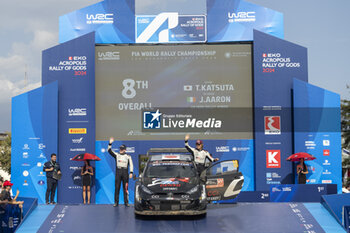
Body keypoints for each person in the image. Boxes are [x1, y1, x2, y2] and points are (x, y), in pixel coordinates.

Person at [108, 137, 133, 207]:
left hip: (125, 172)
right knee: (117, 187)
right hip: (118, 172)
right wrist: (110, 143)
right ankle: (116, 202)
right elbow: (109, 151)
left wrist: (131, 172)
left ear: (125, 150)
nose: (121, 150)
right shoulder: (117, 155)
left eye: (122, 149)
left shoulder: (128, 156)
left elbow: (131, 164)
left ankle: (126, 202)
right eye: (120, 149)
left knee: (126, 188)